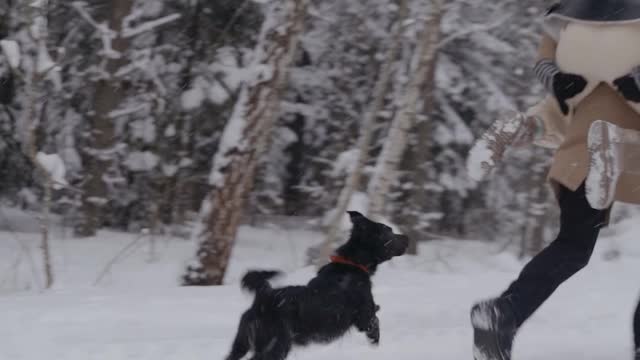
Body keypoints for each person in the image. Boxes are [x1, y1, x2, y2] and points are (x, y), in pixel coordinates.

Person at [466, 1, 640, 359]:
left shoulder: (582, 84)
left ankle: (504, 313)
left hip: (581, 155)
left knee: (572, 246)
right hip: (628, 155)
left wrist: (527, 127)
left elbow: (554, 117)